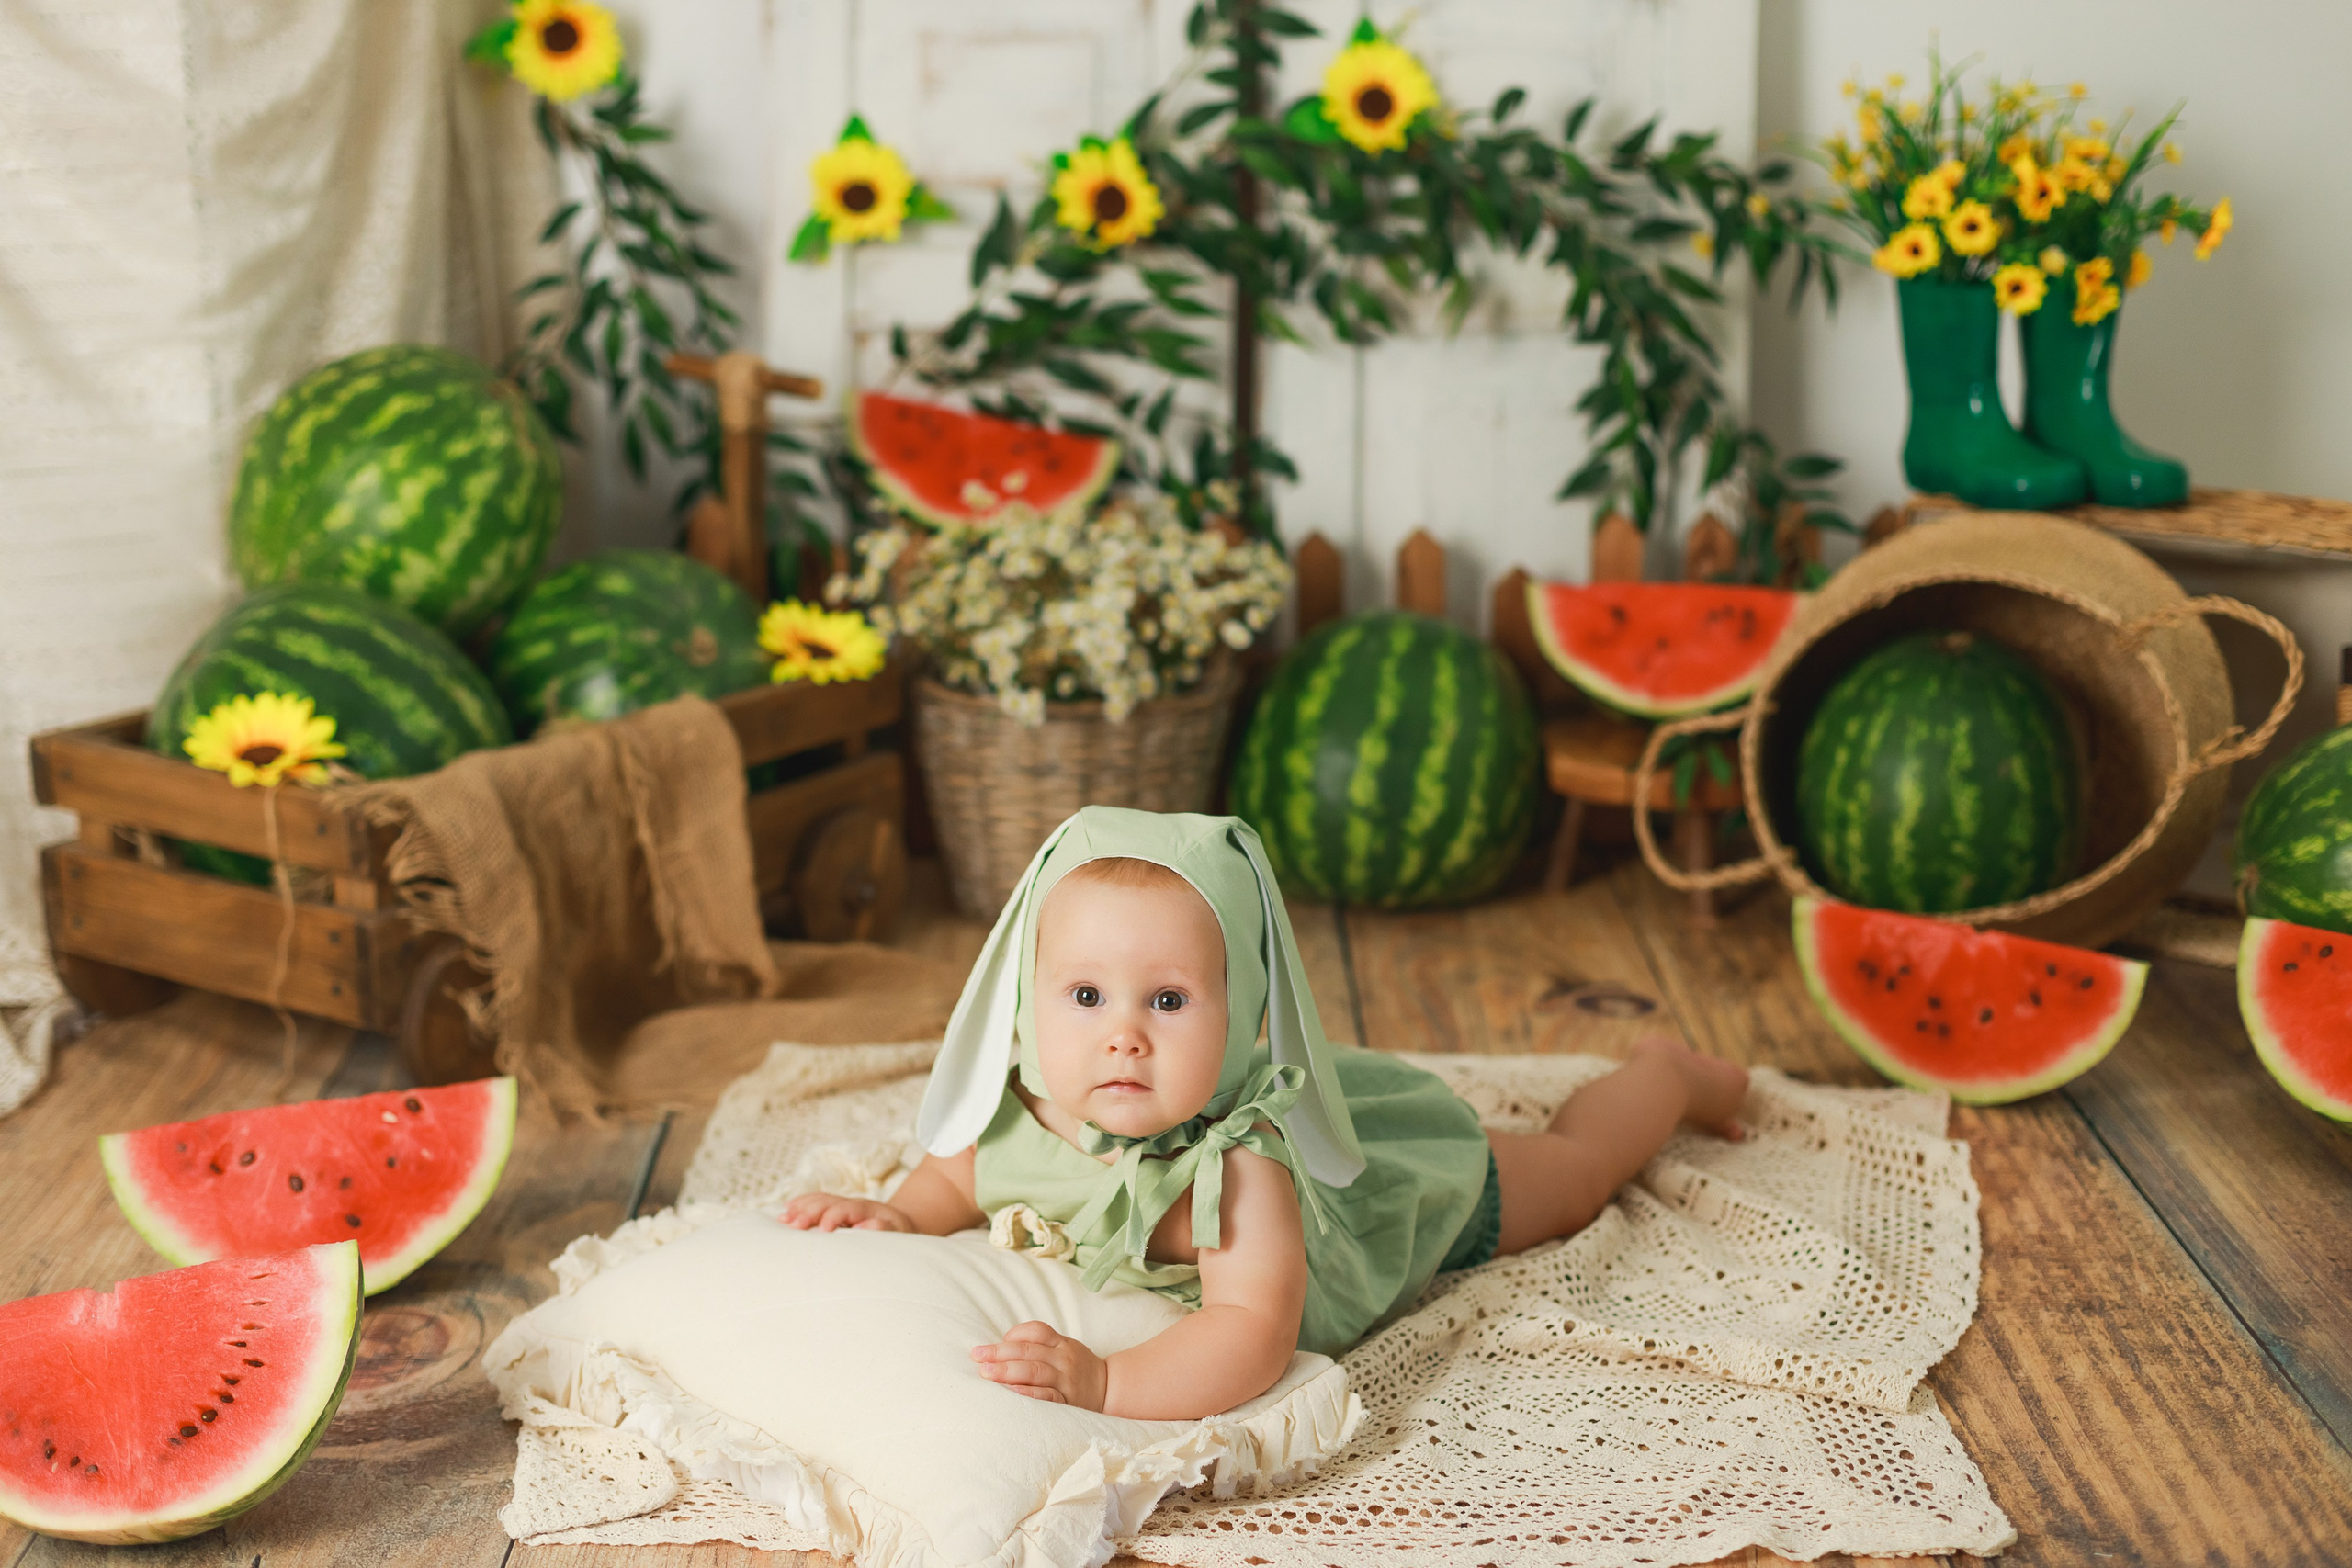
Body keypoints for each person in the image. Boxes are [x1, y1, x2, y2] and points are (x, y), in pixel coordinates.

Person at [781, 807, 1747, 1421]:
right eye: (1085, 996)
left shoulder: (1241, 1165)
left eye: (1168, 1000)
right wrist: (899, 1213)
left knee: (1575, 1173)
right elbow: (959, 1172)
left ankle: (1666, 1074)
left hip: (1395, 1206)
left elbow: (1250, 1330)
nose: (1123, 1037)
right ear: (1028, 1000)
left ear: (1243, 1013)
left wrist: (1108, 1382)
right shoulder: (1018, 1109)